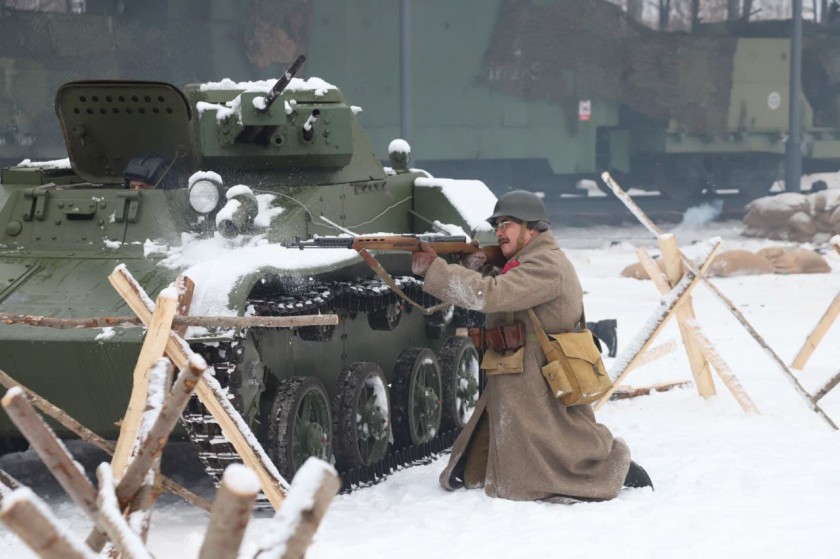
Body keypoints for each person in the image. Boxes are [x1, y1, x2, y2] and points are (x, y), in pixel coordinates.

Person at [411, 190, 651, 503]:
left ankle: (610, 468)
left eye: (506, 224)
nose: (498, 232)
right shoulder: (528, 260)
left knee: (558, 440)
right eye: (496, 225)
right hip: (524, 367)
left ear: (532, 229)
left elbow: (492, 294)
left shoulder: (546, 264)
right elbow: (505, 288)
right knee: (536, 439)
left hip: (540, 369)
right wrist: (477, 265)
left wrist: (435, 270)